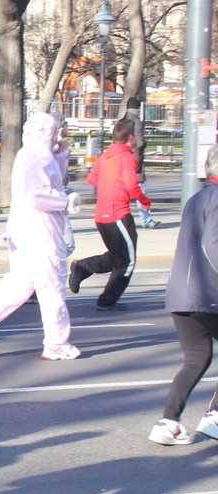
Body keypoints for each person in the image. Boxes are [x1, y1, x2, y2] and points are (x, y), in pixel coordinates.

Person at [0, 112, 81, 361]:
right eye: (58, 129)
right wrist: (64, 201)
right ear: (49, 131)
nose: (61, 132)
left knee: (19, 284)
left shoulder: (31, 153)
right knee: (52, 288)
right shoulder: (40, 155)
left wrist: (61, 154)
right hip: (43, 232)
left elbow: (48, 183)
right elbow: (37, 194)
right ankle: (56, 344)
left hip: (25, 230)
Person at [147, 144, 218, 445]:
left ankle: (168, 422)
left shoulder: (196, 198)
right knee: (197, 357)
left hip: (182, 293)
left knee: (197, 358)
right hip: (207, 294)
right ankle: (214, 418)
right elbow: (214, 244)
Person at [68, 117, 151, 312]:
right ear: (131, 137)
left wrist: (110, 189)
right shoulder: (126, 157)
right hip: (118, 215)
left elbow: (92, 178)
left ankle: (84, 268)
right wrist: (145, 201)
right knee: (128, 261)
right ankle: (107, 300)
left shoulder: (106, 155)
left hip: (102, 215)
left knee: (118, 257)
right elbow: (132, 186)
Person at [124, 97, 161, 230]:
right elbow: (139, 143)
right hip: (136, 162)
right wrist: (144, 144)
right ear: (138, 108)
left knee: (123, 194)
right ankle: (146, 220)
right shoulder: (136, 121)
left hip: (123, 160)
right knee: (141, 192)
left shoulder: (123, 120)